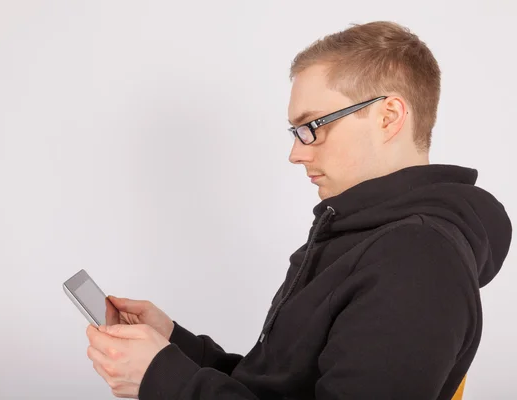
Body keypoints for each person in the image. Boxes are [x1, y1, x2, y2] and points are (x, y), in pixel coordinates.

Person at [85, 20, 512, 399]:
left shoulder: (417, 260)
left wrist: (163, 379)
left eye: (312, 127)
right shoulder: (355, 234)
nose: (295, 153)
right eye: (296, 131)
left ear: (388, 116)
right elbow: (277, 384)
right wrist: (176, 346)